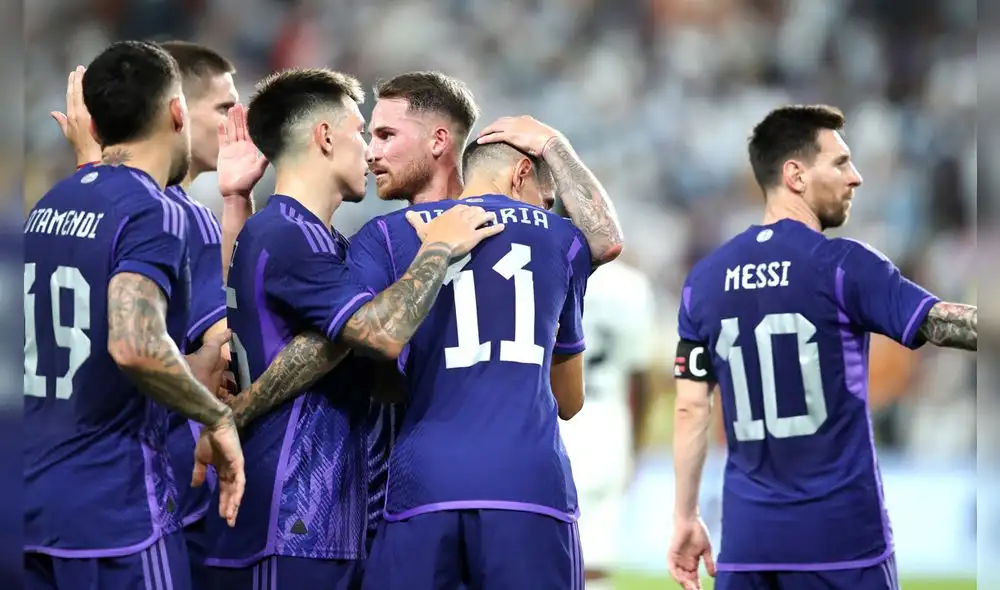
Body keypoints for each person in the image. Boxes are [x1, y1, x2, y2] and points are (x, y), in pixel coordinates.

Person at [219, 70, 625, 556]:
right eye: (370, 135)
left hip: (413, 495)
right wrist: (236, 204)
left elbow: (342, 340)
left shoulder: (390, 239)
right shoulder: (527, 236)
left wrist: (241, 408)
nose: (372, 151)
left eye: (386, 136)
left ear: (438, 141)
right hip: (415, 494)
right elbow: (326, 327)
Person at [200, 67, 504, 590]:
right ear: (324, 136)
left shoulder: (303, 237)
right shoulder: (294, 235)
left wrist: (233, 202)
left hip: (317, 514)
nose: (367, 150)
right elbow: (378, 334)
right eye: (361, 131)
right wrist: (438, 246)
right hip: (293, 514)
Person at [668, 104, 977, 590]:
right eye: (840, 163)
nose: (855, 178)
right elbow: (940, 323)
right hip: (842, 540)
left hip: (750, 544)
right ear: (795, 175)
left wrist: (685, 517)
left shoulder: (703, 282)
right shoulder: (842, 266)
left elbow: (690, 409)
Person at [23, 40, 245, 590]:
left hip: (32, 500)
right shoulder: (160, 211)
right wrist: (217, 418)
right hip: (116, 511)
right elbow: (135, 344)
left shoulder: (47, 205)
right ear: (176, 112)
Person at [348, 139, 589, 589]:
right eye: (546, 195)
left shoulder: (390, 233)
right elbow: (570, 401)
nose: (545, 206)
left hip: (422, 481)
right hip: (529, 484)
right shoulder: (564, 239)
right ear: (521, 174)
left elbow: (371, 367)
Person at [555, 251, 656, 590]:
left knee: (549, 551)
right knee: (596, 559)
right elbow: (641, 377)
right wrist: (636, 444)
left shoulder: (549, 268)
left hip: (554, 421)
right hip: (608, 426)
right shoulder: (632, 286)